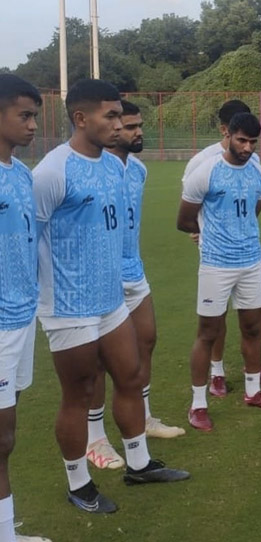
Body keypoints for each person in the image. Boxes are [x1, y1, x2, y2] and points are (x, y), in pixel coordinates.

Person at [34, 79, 189, 515]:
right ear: (80, 118)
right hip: (68, 305)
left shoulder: (114, 166)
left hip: (111, 298)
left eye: (121, 116)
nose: (119, 125)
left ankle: (138, 463)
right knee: (79, 394)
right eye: (111, 116)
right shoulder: (52, 170)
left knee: (132, 374)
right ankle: (78, 483)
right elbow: (29, 236)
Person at [85, 100, 184, 471]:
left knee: (146, 341)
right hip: (100, 277)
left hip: (134, 270)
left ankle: (143, 416)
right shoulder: (96, 169)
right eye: (129, 126)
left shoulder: (138, 170)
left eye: (139, 125)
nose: (137, 131)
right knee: (96, 361)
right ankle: (95, 438)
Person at [178, 111, 261, 432]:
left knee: (253, 328)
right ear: (229, 136)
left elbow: (254, 212)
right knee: (207, 332)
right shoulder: (206, 172)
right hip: (216, 264)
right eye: (241, 140)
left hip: (253, 261)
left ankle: (253, 391)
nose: (247, 147)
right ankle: (198, 404)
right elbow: (184, 220)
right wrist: (212, 234)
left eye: (253, 141)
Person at [0, 74, 59, 542]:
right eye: (24, 115)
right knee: (0, 437)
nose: (34, 125)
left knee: (6, 435)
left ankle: (2, 538)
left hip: (20, 318)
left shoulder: (19, 175)